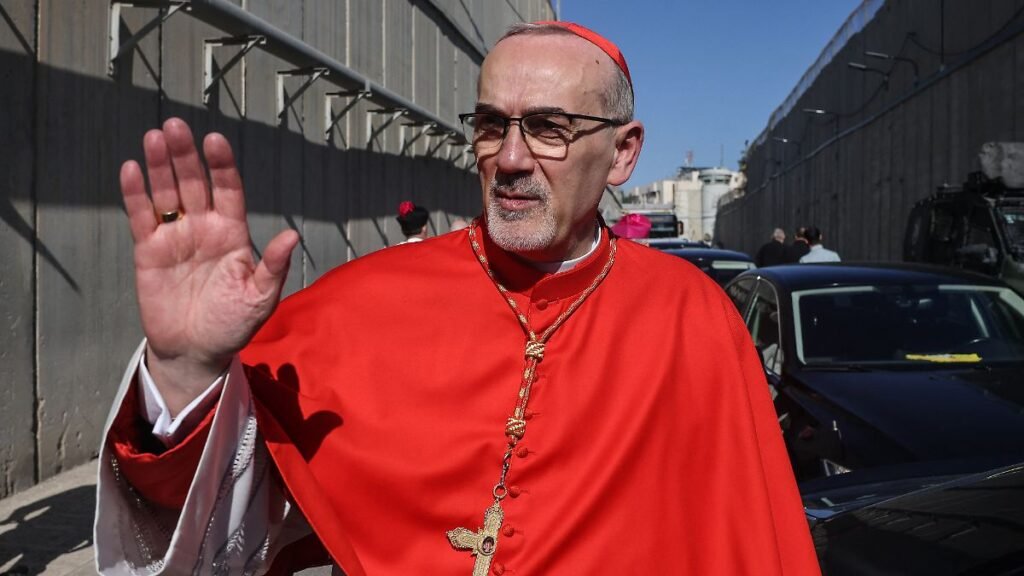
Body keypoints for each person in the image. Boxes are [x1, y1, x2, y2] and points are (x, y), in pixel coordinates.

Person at [95, 21, 820, 575]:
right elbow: (208, 512)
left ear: (624, 153)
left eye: (548, 129)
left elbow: (755, 545)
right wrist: (186, 369)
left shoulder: (692, 317)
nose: (508, 158)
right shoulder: (360, 304)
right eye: (490, 126)